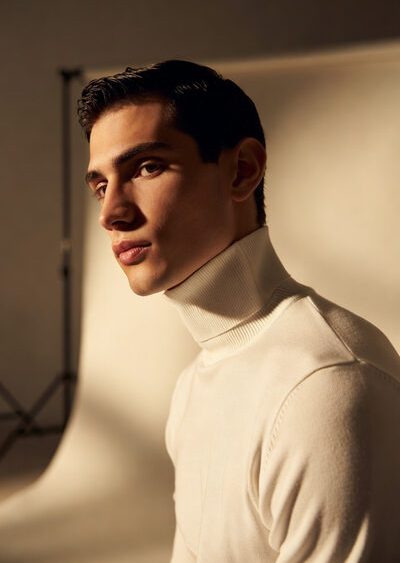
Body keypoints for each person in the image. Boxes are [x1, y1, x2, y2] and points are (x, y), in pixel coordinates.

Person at [78, 60, 400, 562]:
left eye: (146, 167)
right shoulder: (197, 381)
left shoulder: (328, 384)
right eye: (101, 185)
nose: (110, 213)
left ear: (243, 170)